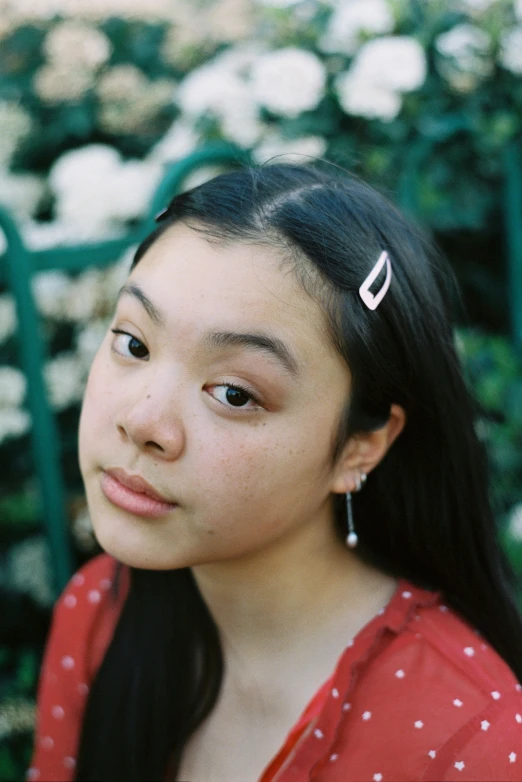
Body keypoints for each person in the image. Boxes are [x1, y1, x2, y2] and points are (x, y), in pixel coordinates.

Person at [28, 163, 522, 782]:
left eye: (234, 393)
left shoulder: (471, 740)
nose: (143, 421)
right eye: (133, 343)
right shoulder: (102, 611)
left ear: (359, 448)